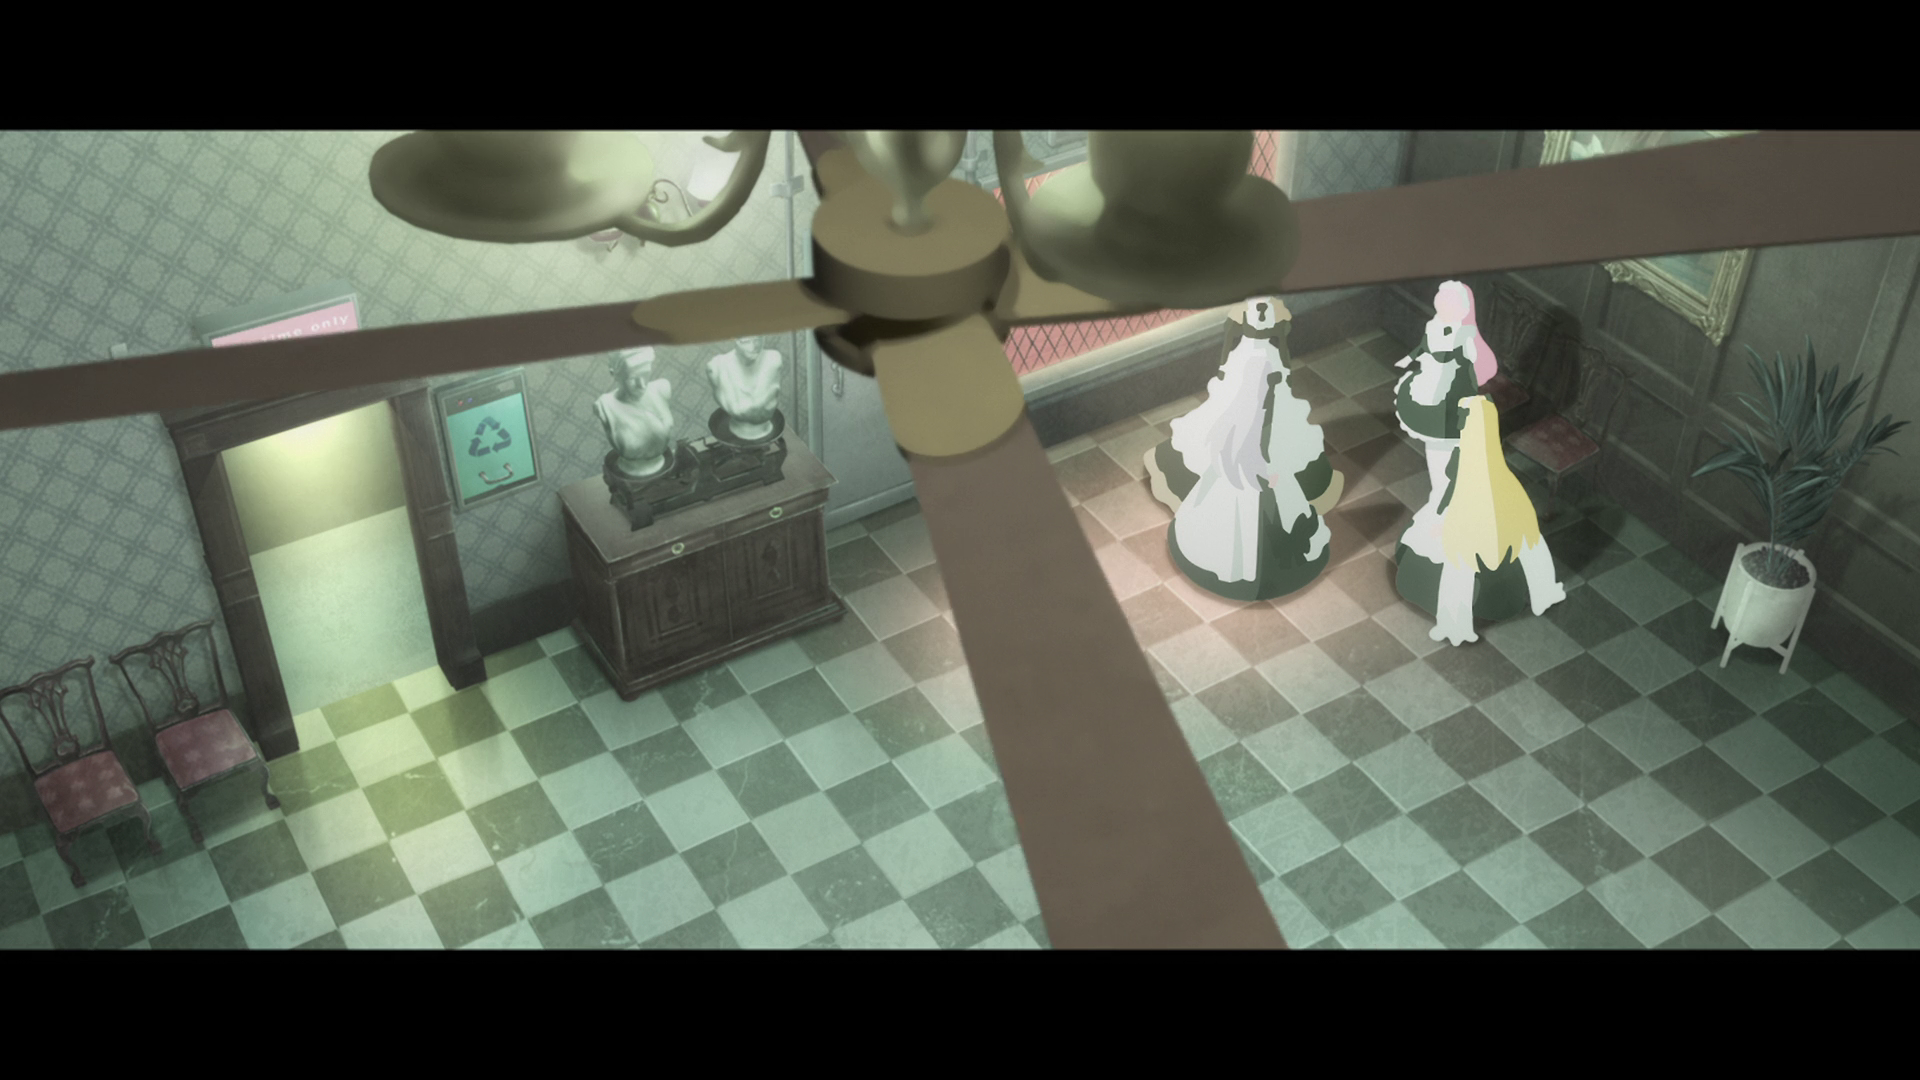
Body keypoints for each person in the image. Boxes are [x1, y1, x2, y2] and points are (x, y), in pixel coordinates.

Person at [1142, 297, 1341, 601]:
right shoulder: (1252, 392)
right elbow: (1244, 445)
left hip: (1255, 466)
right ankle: (1247, 567)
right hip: (1251, 469)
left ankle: (1256, 566)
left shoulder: (1261, 385)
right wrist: (1264, 472)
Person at [1398, 394, 1567, 645]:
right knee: (1531, 546)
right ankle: (1545, 593)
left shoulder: (1460, 459)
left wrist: (1439, 513)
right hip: (1506, 513)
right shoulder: (1494, 456)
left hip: (1470, 519)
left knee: (1459, 568)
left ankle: (1455, 626)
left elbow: (1450, 492)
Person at [595, 347, 675, 478]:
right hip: (630, 472)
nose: (642, 385)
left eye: (646, 375)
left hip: (664, 468)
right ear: (615, 374)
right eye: (632, 378)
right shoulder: (604, 406)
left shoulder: (661, 388)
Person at [706, 335, 784, 441]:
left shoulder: (773, 359)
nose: (754, 347)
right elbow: (746, 408)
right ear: (735, 339)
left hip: (767, 429)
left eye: (758, 339)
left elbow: (750, 408)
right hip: (736, 432)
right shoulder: (717, 367)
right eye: (746, 341)